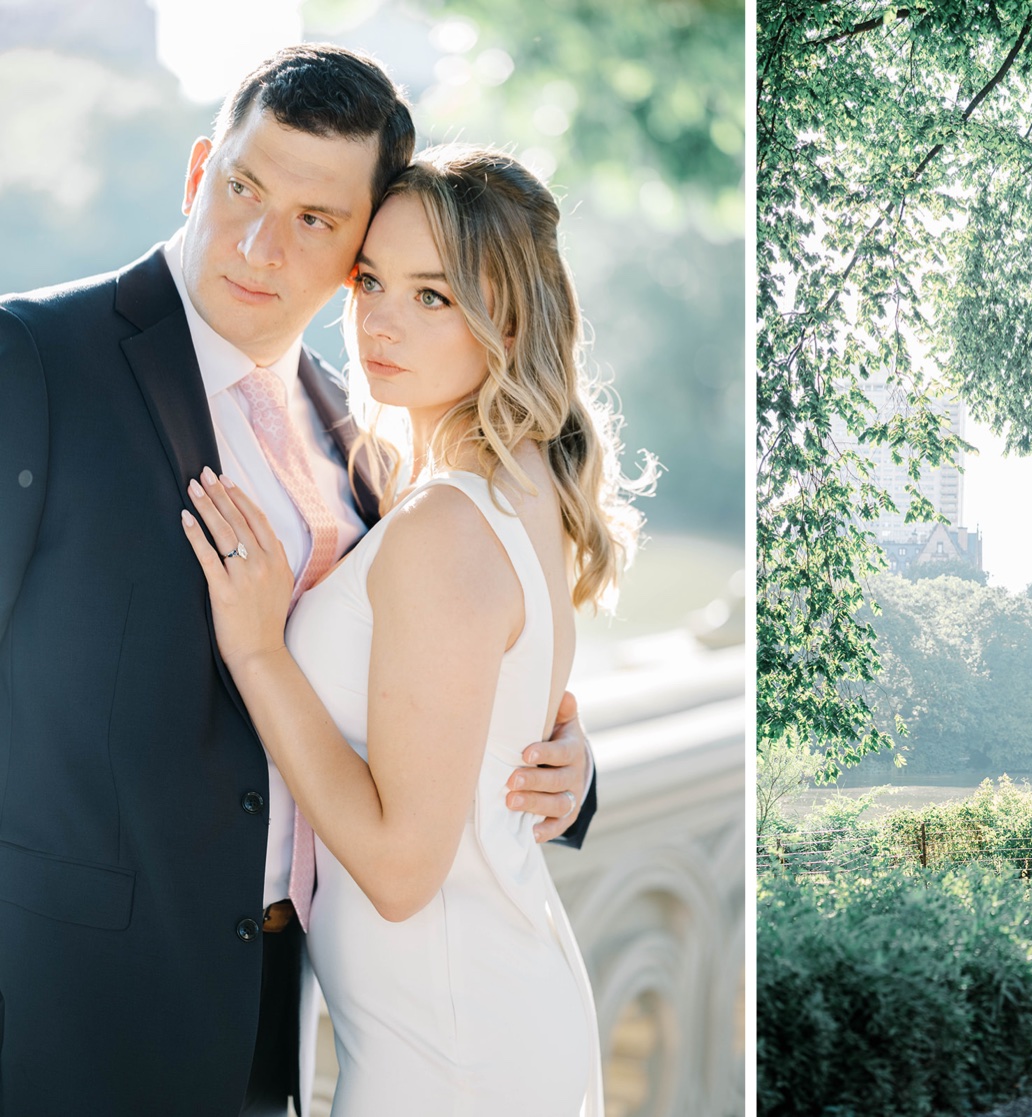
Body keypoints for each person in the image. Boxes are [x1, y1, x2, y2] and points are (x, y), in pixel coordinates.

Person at [0, 45, 595, 1116]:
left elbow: (427, 677)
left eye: (318, 222)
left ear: (356, 240)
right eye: (242, 188)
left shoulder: (363, 439)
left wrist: (565, 769)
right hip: (75, 1015)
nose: (261, 244)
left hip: (281, 1017)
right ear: (199, 171)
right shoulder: (35, 360)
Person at [179, 141, 647, 1116]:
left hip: (452, 1051)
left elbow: (398, 869)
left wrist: (261, 649)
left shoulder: (443, 524)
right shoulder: (518, 484)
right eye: (372, 281)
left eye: (432, 296)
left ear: (508, 320)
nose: (382, 321)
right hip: (481, 1013)